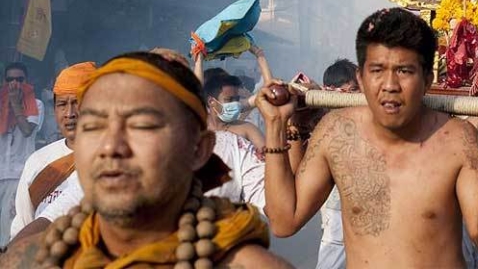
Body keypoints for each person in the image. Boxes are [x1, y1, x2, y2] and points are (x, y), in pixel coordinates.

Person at [258, 7, 478, 267]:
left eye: (404, 71)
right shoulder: (335, 133)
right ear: (361, 77)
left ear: (427, 80)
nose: (390, 86)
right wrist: (276, 124)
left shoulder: (458, 141)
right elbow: (284, 222)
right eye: (377, 70)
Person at [0, 51, 291, 267]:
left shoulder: (246, 263)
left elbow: (285, 218)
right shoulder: (32, 256)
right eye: (93, 126)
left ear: (198, 149)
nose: (111, 146)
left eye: (141, 126)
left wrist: (284, 128)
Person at [9, 62, 95, 240]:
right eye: (62, 104)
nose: (69, 113)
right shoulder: (37, 161)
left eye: (77, 103)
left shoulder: (111, 158)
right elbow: (23, 223)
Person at [315, 58, 359, 269]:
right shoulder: (325, 122)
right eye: (351, 90)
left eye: (358, 90)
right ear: (332, 92)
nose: (357, 96)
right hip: (338, 210)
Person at [0, 62, 43, 248]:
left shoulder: (37, 104)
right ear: (4, 82)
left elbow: (26, 130)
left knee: (8, 229)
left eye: (20, 79)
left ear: (28, 81)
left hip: (19, 177)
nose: (15, 84)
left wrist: (16, 105)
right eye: (10, 80)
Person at [205, 71, 265, 150]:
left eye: (236, 99)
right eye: (228, 99)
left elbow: (270, 156)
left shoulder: (247, 129)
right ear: (211, 101)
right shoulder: (197, 128)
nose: (234, 103)